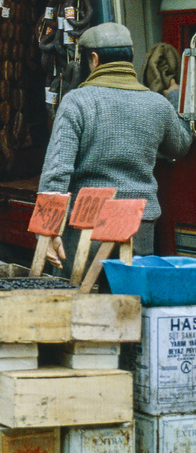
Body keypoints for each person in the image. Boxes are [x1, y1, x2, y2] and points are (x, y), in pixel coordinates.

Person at [37, 22, 192, 273]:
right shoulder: (157, 104)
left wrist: (47, 230)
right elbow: (181, 146)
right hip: (138, 225)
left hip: (86, 226)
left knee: (81, 304)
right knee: (128, 303)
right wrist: (174, 95)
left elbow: (57, 171)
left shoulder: (76, 101)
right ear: (129, 58)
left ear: (94, 59)